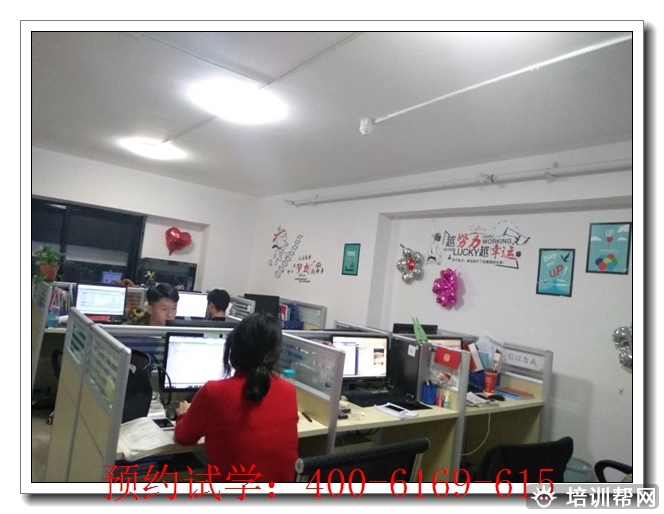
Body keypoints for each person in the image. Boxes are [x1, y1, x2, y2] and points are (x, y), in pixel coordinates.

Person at [174, 313, 298, 482]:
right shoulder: (289, 390)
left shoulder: (213, 392)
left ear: (234, 348)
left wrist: (183, 414)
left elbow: (184, 437)